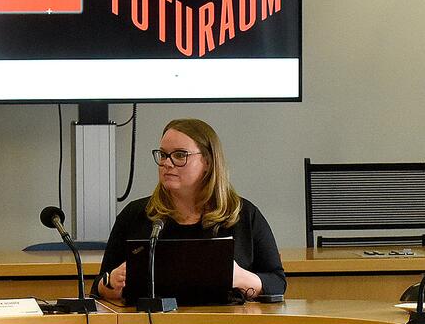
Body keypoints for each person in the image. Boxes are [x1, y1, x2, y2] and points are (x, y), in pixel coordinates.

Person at [96, 119, 285, 303]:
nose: (167, 163)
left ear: (208, 162)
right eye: (163, 155)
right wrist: (110, 284)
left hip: (226, 323)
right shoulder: (135, 214)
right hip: (151, 322)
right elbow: (99, 284)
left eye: (180, 155)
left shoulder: (243, 215)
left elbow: (277, 282)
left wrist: (241, 278)